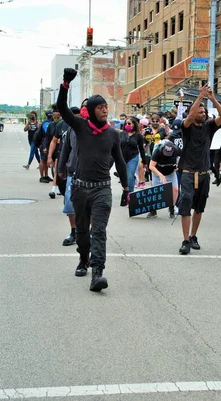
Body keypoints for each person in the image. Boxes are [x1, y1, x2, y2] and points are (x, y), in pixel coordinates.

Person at [57, 68, 128, 292]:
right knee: (82, 232)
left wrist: (126, 188)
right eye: (100, 107)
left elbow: (121, 162)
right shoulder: (80, 126)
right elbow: (61, 108)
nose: (105, 110)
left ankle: (97, 272)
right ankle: (83, 258)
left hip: (102, 190)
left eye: (106, 107)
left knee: (98, 231)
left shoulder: (113, 135)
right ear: (91, 110)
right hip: (80, 188)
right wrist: (66, 83)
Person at [177, 84, 221, 255]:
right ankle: (185, 240)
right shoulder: (187, 127)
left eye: (204, 112)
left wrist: (212, 98)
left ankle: (193, 236)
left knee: (199, 207)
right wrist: (199, 97)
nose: (203, 114)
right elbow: (189, 117)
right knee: (185, 206)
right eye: (200, 111)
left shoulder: (209, 127)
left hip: (204, 173)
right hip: (187, 173)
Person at [57, 106, 81, 247]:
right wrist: (61, 168)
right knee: (70, 205)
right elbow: (65, 149)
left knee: (88, 207)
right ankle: (73, 232)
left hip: (89, 174)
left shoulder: (93, 129)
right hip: (72, 173)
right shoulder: (71, 129)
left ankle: (88, 232)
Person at [149, 139, 181, 218]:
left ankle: (172, 207)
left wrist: (178, 166)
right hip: (157, 172)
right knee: (156, 191)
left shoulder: (177, 150)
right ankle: (153, 210)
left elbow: (183, 160)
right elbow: (151, 166)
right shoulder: (158, 151)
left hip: (170, 172)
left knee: (175, 189)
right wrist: (160, 175)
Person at [120, 116, 147, 193]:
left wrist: (144, 161)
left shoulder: (138, 136)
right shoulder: (121, 134)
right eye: (126, 123)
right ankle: (126, 189)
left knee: (130, 176)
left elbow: (141, 149)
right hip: (122, 158)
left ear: (134, 125)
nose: (127, 125)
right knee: (123, 177)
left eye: (129, 123)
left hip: (133, 157)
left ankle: (130, 194)